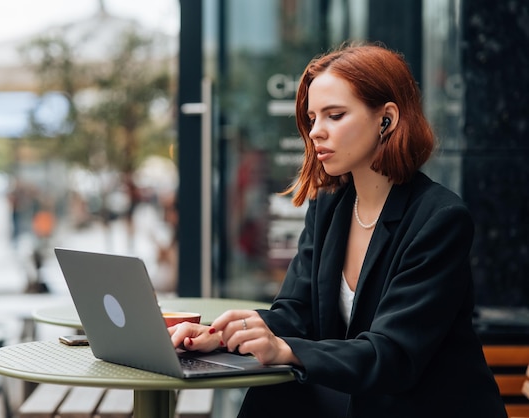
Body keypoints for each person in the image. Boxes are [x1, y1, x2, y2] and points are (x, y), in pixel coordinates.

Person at [169, 42, 507, 417]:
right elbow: (297, 312)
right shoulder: (330, 205)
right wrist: (224, 336)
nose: (316, 132)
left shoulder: (439, 218)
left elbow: (393, 354)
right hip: (356, 403)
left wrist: (288, 350)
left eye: (334, 115)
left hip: (421, 408)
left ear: (387, 119)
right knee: (275, 397)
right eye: (312, 118)